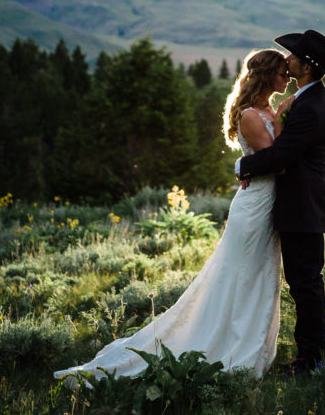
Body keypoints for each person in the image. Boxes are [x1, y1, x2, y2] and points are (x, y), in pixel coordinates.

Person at [53, 48, 290, 385]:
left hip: (268, 204)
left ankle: (251, 345)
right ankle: (229, 347)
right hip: (254, 209)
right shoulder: (253, 115)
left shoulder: (268, 108)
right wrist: (281, 120)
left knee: (261, 277)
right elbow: (276, 161)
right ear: (267, 73)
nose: (288, 75)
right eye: (282, 70)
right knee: (241, 278)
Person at [236, 29, 325, 376]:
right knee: (305, 282)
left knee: (305, 284)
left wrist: (242, 165)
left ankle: (312, 361)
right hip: (302, 205)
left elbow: (281, 155)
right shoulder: (308, 100)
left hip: (303, 207)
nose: (288, 59)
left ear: (308, 65)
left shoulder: (312, 105)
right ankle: (312, 356)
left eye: (294, 55)